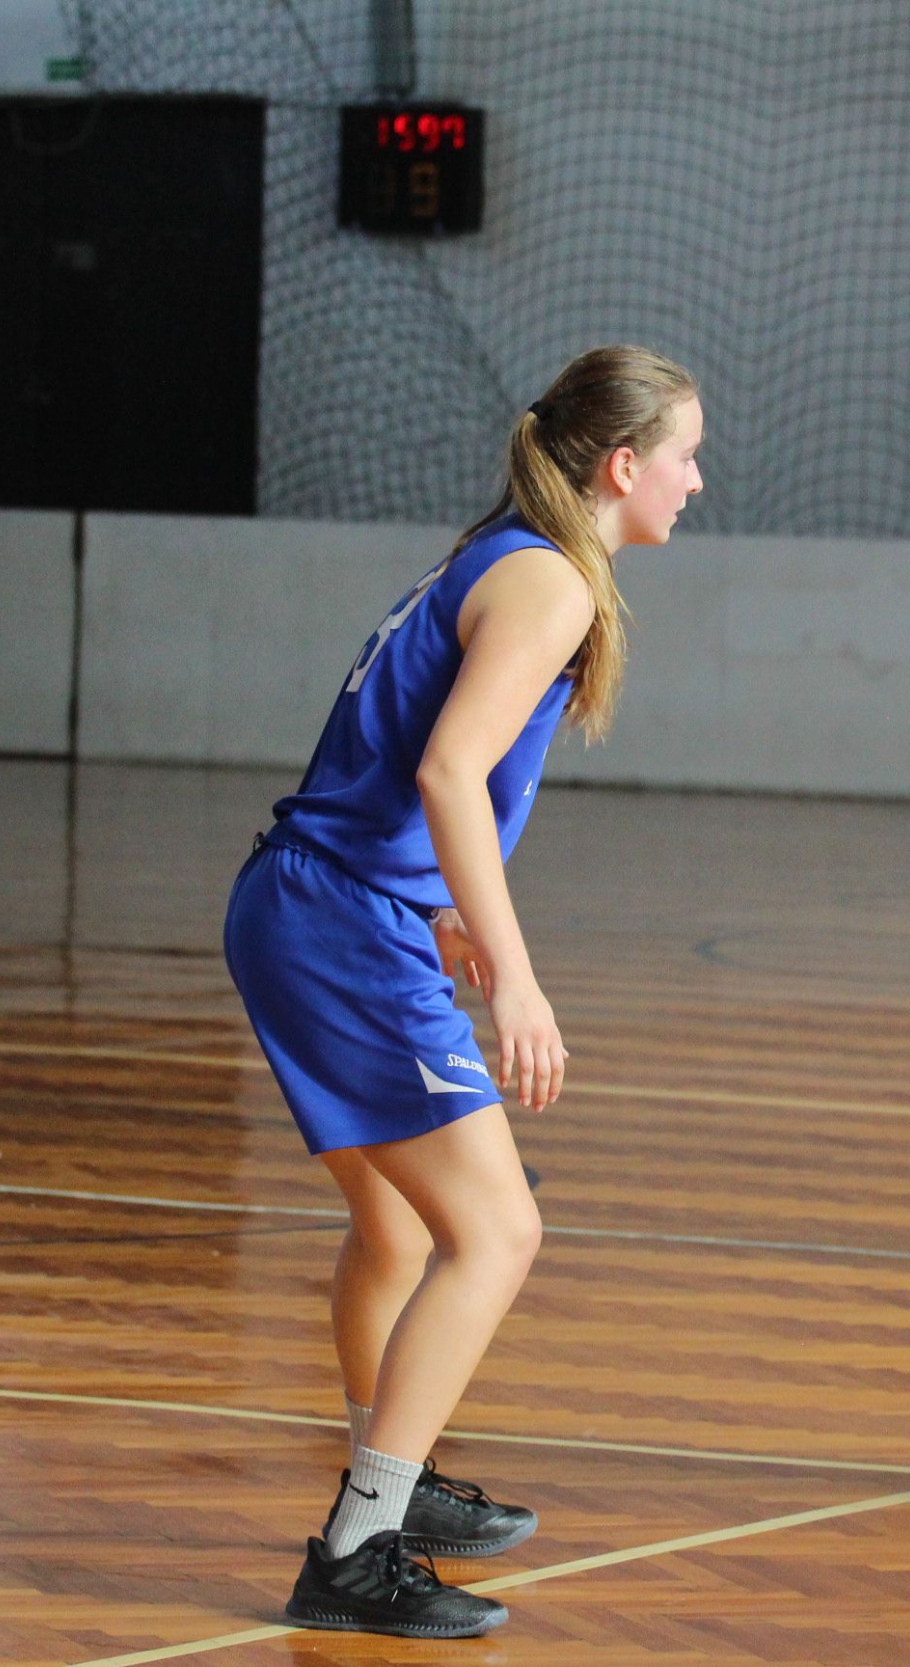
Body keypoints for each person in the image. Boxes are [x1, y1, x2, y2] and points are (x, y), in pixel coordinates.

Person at [224, 346, 703, 1638]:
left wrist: (439, 910)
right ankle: (357, 1542)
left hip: (309, 900)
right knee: (496, 1233)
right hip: (336, 922)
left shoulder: (498, 554)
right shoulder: (549, 579)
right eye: (685, 456)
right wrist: (519, 978)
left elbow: (394, 769)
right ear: (623, 466)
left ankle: (393, 1474)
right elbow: (447, 771)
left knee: (395, 1231)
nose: (695, 480)